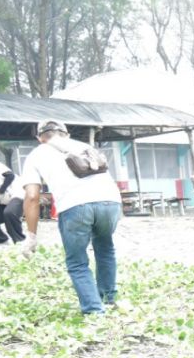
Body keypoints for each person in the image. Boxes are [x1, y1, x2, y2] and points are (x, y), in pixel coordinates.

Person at [18, 120, 124, 314]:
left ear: (40, 138)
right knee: (105, 248)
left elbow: (32, 196)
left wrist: (31, 236)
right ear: (66, 133)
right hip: (111, 202)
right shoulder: (84, 146)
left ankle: (94, 311)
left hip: (75, 205)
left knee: (77, 261)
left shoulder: (37, 154)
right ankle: (108, 299)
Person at [0, 158, 22, 245]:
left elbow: (10, 175)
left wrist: (0, 190)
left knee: (9, 213)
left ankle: (20, 241)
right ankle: (0, 240)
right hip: (0, 200)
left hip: (16, 194)